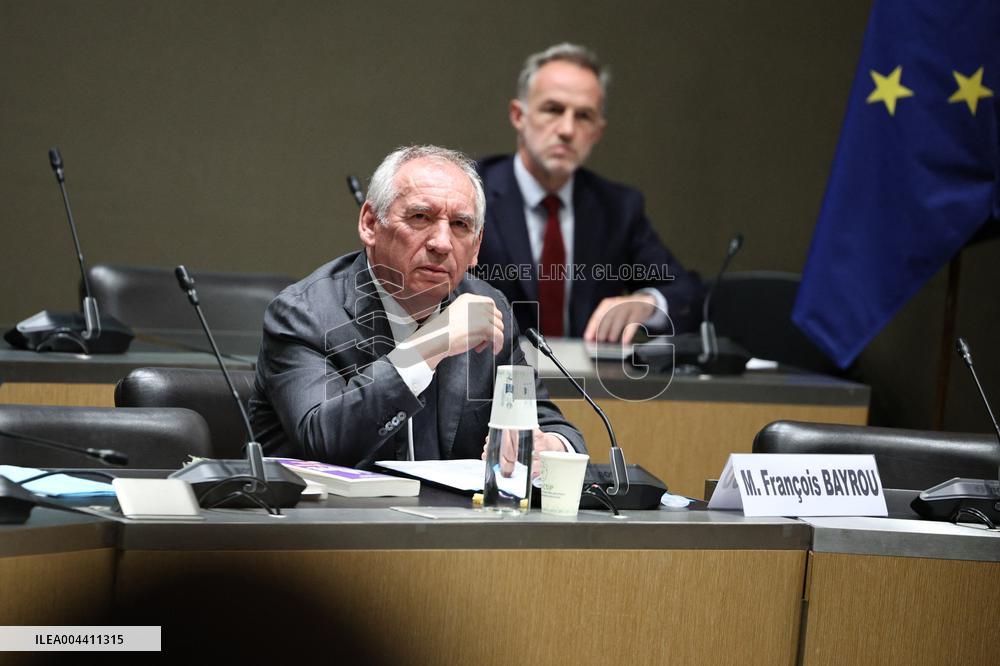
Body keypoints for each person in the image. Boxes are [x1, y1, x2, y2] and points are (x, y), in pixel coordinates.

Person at [249, 145, 584, 468]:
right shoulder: (306, 315)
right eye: (421, 217)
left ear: (477, 246)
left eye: (460, 225)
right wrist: (429, 345)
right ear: (369, 224)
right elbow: (323, 441)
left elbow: (552, 425)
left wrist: (549, 446)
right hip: (332, 522)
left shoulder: (488, 306)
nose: (441, 243)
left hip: (453, 523)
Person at [476, 43, 704, 344]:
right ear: (519, 116)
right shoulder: (471, 192)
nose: (568, 129)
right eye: (553, 109)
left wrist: (647, 303)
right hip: (488, 382)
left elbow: (688, 293)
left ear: (597, 131)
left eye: (584, 116)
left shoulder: (617, 208)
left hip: (585, 385)